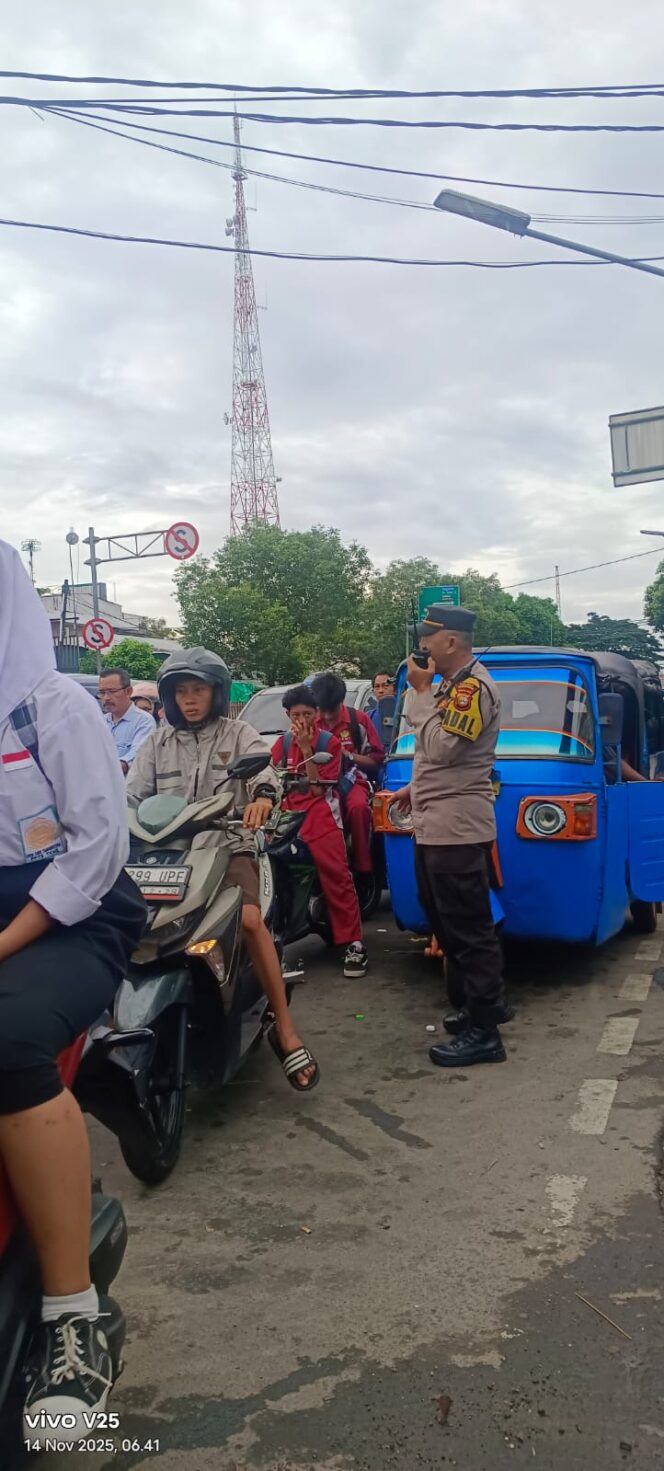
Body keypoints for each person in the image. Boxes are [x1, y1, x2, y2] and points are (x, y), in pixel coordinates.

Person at [0, 542, 147, 1443]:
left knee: (7, 1040)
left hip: (79, 909)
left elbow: (97, 850)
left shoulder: (54, 705)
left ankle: (71, 1315)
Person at [127, 648, 319, 1092]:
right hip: (168, 855)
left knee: (249, 920)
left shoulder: (238, 733)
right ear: (169, 697)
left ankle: (285, 1031)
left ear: (216, 693)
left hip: (226, 845)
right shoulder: (156, 741)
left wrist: (263, 799)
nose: (190, 699)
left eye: (199, 690)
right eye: (181, 691)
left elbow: (264, 773)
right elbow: (132, 793)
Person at [393, 604, 512, 1068]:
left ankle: (486, 1030)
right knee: (442, 918)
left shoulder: (473, 690)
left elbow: (444, 748)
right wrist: (410, 787)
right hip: (433, 819)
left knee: (469, 927)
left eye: (428, 639)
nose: (421, 647)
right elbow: (425, 743)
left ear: (450, 642)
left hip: (457, 826)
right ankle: (477, 1006)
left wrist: (422, 693)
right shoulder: (447, 687)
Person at [272, 685, 368, 978]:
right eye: (296, 714)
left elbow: (317, 789)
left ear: (316, 714)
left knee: (335, 872)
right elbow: (271, 779)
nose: (302, 719)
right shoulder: (281, 744)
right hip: (286, 812)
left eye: (307, 713)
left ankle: (354, 943)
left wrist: (306, 750)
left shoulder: (329, 743)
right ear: (288, 715)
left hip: (320, 811)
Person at [310, 673, 384, 886]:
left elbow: (376, 760)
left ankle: (363, 868)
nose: (326, 716)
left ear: (341, 702)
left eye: (330, 711)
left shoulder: (357, 720)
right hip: (319, 783)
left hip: (352, 780)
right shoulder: (310, 723)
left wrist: (347, 755)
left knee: (358, 807)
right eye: (321, 710)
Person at [99, 668, 154, 773]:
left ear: (128, 691)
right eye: (102, 692)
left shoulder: (144, 721)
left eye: (112, 691)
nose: (106, 698)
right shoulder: (100, 722)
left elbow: (137, 757)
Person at [369, 671, 397, 749]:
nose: (380, 690)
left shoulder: (404, 714)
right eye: (377, 687)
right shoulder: (368, 717)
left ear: (395, 689)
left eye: (385, 686)